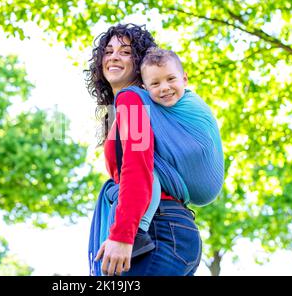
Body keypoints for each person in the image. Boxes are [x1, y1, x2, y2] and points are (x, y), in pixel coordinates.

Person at [87, 23, 223, 276]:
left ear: (141, 62)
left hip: (156, 232)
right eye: (108, 51)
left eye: (125, 52)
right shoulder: (135, 107)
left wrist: (124, 234)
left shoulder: (132, 99)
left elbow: (139, 168)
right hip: (176, 234)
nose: (115, 56)